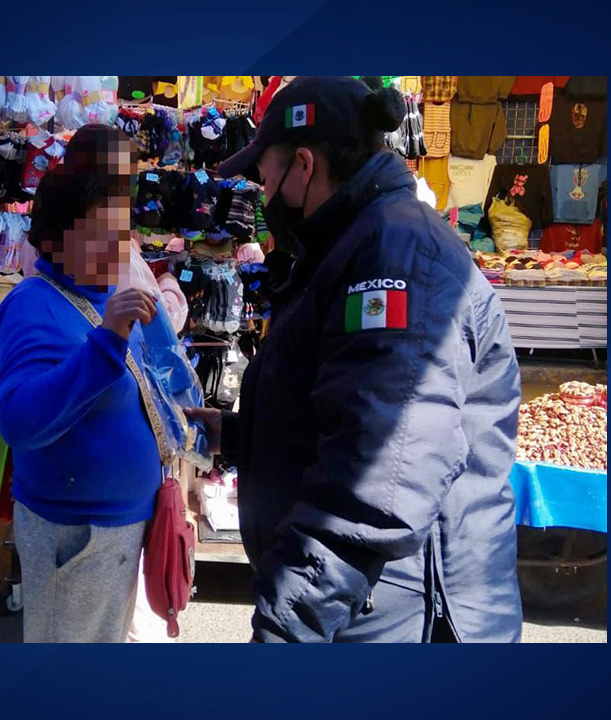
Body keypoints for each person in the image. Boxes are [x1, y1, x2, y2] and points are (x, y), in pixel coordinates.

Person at [188, 76, 523, 643]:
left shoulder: (393, 253)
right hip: (373, 603)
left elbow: (383, 473)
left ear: (303, 165)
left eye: (264, 178)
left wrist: (288, 625)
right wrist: (242, 435)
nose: (263, 196)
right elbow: (349, 407)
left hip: (396, 613)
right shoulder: (356, 244)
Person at [0, 127, 166, 643]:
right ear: (56, 240)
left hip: (109, 530)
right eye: (100, 231)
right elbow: (17, 419)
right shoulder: (31, 305)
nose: (119, 243)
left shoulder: (107, 292)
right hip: (76, 533)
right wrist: (106, 342)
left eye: (121, 229)